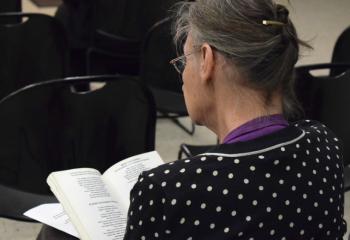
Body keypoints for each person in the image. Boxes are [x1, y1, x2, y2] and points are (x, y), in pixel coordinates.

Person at [122, 0, 347, 239]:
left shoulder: (166, 192)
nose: (183, 77)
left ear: (207, 60)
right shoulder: (325, 147)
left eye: (184, 61)